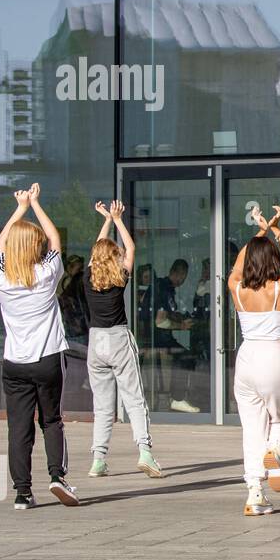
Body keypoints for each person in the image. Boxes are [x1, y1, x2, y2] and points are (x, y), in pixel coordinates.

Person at [0, 183, 78, 510]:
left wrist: (20, 207)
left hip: (14, 362)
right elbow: (55, 240)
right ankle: (57, 476)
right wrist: (38, 204)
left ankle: (23, 493)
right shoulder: (46, 272)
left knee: (18, 427)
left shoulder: (0, 277)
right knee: (52, 420)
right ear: (34, 248)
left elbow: (2, 242)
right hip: (48, 358)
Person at [229, 203, 280, 516]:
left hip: (245, 359)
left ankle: (254, 492)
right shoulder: (279, 288)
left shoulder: (237, 288)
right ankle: (275, 451)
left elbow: (238, 263)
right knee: (279, 419)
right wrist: (275, 229)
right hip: (272, 354)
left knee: (251, 428)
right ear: (272, 259)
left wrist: (258, 232)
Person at [84, 199, 163, 479]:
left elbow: (97, 252)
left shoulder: (88, 278)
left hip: (96, 342)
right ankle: (145, 452)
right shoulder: (120, 278)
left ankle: (98, 459)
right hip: (118, 338)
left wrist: (105, 221)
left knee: (102, 405)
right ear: (114, 259)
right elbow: (131, 248)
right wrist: (117, 218)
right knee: (133, 397)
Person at [153, 258, 199, 413]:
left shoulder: (162, 285)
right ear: (181, 274)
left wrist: (178, 317)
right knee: (187, 357)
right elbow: (159, 322)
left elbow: (167, 313)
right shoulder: (165, 289)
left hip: (156, 337)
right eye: (184, 276)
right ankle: (177, 399)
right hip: (157, 339)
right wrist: (181, 326)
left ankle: (175, 398)